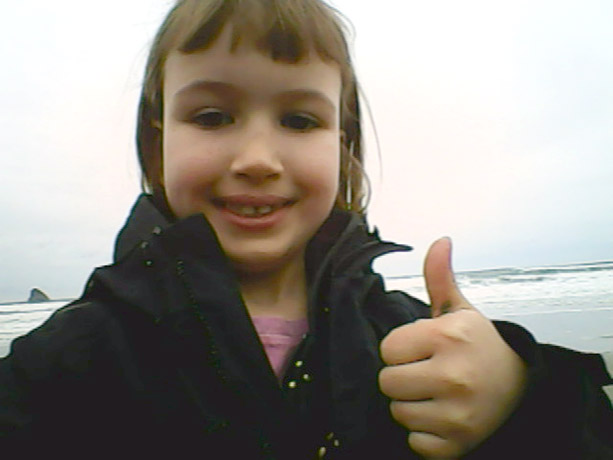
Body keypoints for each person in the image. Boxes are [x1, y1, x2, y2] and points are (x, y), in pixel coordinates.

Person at [1, 0, 611, 458]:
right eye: (211, 116)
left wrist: (521, 400)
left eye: (298, 119)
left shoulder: (409, 342)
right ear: (158, 139)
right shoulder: (68, 361)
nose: (257, 159)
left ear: (343, 145)